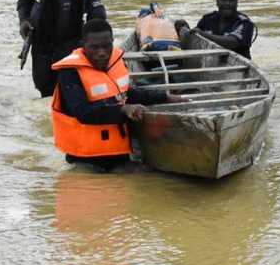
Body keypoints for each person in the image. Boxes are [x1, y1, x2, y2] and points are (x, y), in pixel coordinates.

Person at [51, 19, 186, 170]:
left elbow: (126, 93)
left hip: (119, 154)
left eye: (106, 46)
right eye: (94, 47)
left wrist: (164, 97)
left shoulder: (115, 61)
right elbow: (83, 112)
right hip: (84, 159)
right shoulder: (70, 72)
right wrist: (123, 109)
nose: (102, 53)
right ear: (83, 45)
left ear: (112, 42)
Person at [174, 0, 256, 59]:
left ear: (237, 2)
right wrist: (185, 29)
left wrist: (203, 34)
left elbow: (232, 42)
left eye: (231, 0)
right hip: (213, 60)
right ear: (217, 1)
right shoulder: (208, 19)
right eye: (223, 0)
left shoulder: (245, 23)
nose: (227, 3)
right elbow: (196, 35)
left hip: (238, 66)